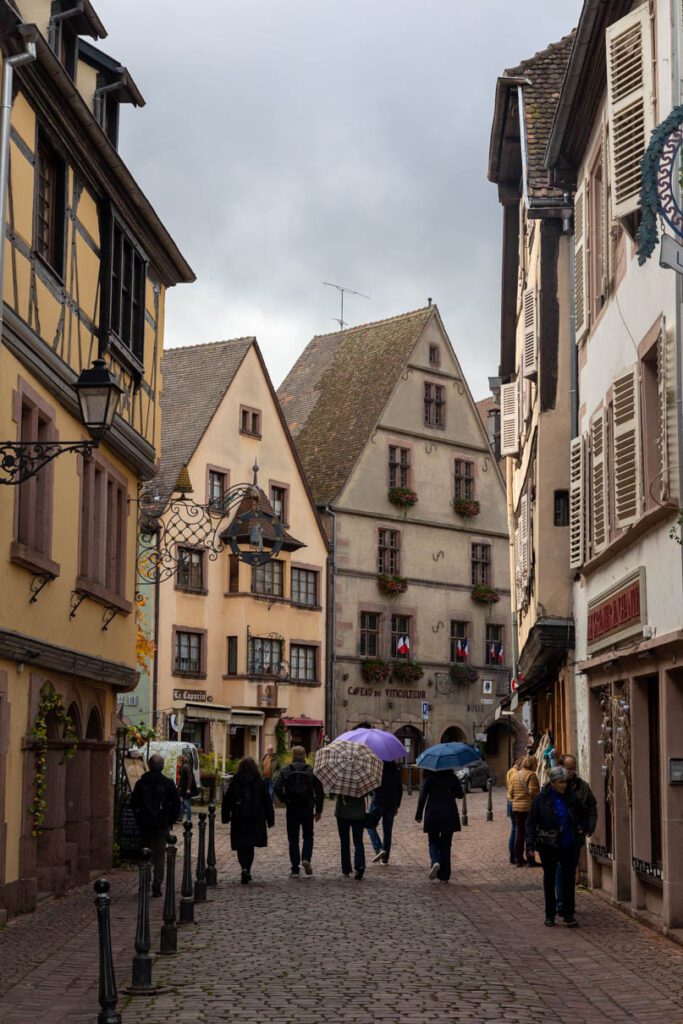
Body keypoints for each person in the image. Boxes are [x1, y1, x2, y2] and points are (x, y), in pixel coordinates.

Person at [527, 765, 588, 928]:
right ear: (553, 782)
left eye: (565, 782)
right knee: (549, 879)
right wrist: (530, 845)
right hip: (548, 845)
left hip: (568, 843)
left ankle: (568, 914)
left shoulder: (571, 797)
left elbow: (584, 814)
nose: (564, 785)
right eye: (561, 782)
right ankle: (550, 914)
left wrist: (583, 827)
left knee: (568, 880)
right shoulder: (541, 798)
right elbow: (531, 822)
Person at [130, 753, 180, 896]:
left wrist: (139, 817)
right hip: (161, 824)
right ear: (162, 766)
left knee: (145, 854)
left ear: (149, 766)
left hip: (145, 824)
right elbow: (176, 804)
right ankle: (157, 884)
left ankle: (144, 885)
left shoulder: (141, 783)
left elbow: (133, 803)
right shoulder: (167, 783)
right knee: (159, 856)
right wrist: (169, 820)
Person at [555, 753, 598, 914]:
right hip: (558, 836)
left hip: (575, 836)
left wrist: (589, 826)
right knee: (560, 868)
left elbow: (592, 807)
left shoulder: (582, 787)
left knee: (571, 869)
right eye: (569, 768)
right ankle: (561, 905)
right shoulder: (553, 786)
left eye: (574, 768)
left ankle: (568, 904)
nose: (573, 771)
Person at [221, 757, 274, 884]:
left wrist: (225, 816)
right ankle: (247, 869)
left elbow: (227, 800)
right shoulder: (259, 781)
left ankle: (244, 868)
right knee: (250, 845)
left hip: (239, 817)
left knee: (241, 844)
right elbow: (267, 801)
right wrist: (270, 819)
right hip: (255, 817)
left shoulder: (236, 781)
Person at [274, 745, 324, 876]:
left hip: (292, 808)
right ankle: (306, 858)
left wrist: (285, 800)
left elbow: (277, 787)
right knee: (308, 836)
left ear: (293, 756)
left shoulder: (286, 770)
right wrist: (318, 810)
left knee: (293, 839)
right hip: (307, 808)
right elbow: (319, 791)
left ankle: (295, 868)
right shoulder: (310, 771)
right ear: (304, 756)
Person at [415, 769, 464, 882]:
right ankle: (445, 875)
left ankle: (435, 861)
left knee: (433, 841)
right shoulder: (453, 778)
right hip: (449, 814)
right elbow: (460, 795)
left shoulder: (429, 779)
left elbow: (422, 798)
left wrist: (418, 815)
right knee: (446, 845)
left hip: (433, 814)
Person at [367, 760, 403, 864]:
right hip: (391, 803)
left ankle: (378, 848)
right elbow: (399, 789)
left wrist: (371, 794)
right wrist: (397, 805)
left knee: (370, 825)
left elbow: (371, 785)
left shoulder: (376, 768)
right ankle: (385, 858)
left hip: (378, 801)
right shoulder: (395, 770)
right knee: (387, 831)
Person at [507, 754, 540, 867]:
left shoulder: (515, 775)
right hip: (528, 808)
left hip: (516, 808)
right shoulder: (532, 775)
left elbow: (510, 793)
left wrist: (518, 798)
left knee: (519, 833)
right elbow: (533, 793)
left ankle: (519, 859)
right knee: (530, 834)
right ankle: (530, 859)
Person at [334, 794, 367, 880]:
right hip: (359, 814)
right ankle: (360, 865)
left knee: (344, 841)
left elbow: (333, 793)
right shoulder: (361, 781)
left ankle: (346, 868)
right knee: (358, 841)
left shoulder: (341, 781)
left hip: (342, 813)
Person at [505, 757, 523, 865]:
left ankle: (513, 856)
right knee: (516, 830)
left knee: (514, 829)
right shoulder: (515, 773)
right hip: (515, 802)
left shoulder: (510, 771)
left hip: (510, 801)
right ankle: (515, 856)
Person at [177, 754, 194, 822]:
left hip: (186, 788)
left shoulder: (186, 766)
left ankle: (189, 819)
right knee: (182, 803)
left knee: (187, 804)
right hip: (183, 788)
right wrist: (178, 786)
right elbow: (182, 778)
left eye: (178, 760)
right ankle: (180, 818)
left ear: (181, 760)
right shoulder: (183, 766)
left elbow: (190, 778)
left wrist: (188, 788)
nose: (177, 762)